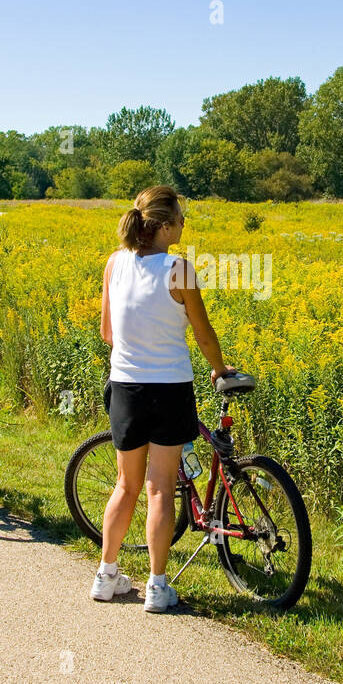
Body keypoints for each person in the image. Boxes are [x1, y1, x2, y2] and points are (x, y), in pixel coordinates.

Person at [90, 185, 234, 612]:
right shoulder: (180, 269)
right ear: (165, 225)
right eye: (181, 216)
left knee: (126, 485)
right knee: (159, 489)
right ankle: (157, 586)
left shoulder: (114, 263)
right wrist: (221, 368)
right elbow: (204, 334)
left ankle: (105, 576)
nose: (185, 223)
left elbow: (107, 334)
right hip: (169, 389)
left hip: (126, 389)